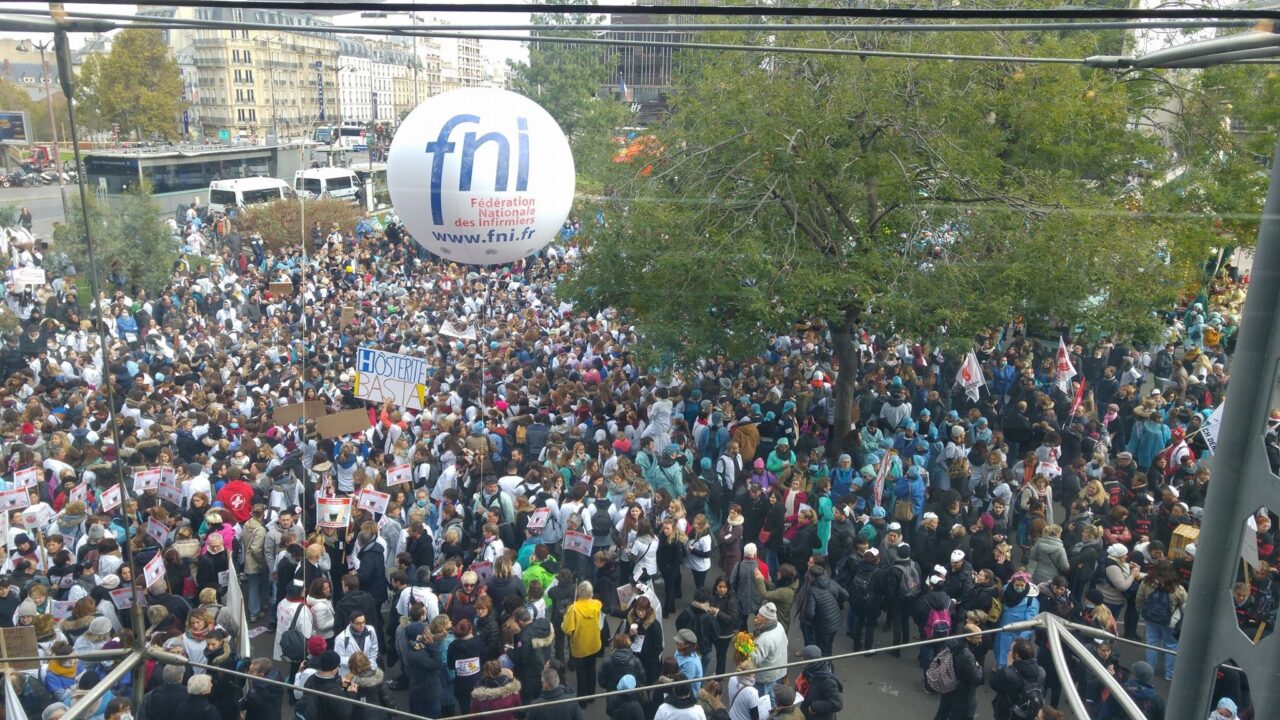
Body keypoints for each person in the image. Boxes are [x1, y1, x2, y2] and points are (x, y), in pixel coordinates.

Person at [1135, 560, 1187, 681]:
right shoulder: (1177, 589)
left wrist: (1140, 612)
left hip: (1150, 618)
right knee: (1171, 646)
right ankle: (1170, 674)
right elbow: (1185, 605)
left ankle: (1150, 670)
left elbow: (1139, 598)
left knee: (1152, 643)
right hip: (1169, 621)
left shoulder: (1146, 583)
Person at [560, 580, 603, 705]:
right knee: (591, 670)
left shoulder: (573, 609)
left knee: (581, 673)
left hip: (580, 646)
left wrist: (564, 622)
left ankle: (582, 701)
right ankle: (591, 696)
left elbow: (567, 629)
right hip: (594, 644)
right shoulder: (596, 605)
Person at [931, 623, 984, 720]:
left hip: (946, 684)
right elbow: (976, 678)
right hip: (960, 693)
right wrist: (979, 667)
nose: (980, 640)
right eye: (978, 637)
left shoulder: (951, 642)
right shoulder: (967, 656)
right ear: (968, 637)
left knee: (942, 713)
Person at [989, 639, 1044, 720]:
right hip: (1028, 712)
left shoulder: (1008, 674)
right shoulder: (1041, 672)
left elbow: (993, 683)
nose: (1009, 653)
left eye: (1011, 651)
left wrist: (1008, 667)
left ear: (1017, 656)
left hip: (1008, 713)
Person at [297, 650, 354, 720]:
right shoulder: (334, 693)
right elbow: (345, 714)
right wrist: (351, 694)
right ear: (334, 669)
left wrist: (338, 682)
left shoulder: (310, 679)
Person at [796, 645, 843, 720]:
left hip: (820, 716)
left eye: (803, 659)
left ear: (811, 661)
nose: (801, 660)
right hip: (808, 710)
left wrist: (815, 706)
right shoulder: (811, 670)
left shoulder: (828, 681)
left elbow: (837, 704)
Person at [346, 650, 396, 720]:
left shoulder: (352, 682)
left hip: (362, 716)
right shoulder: (377, 677)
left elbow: (351, 702)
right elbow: (387, 697)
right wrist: (394, 711)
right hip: (381, 714)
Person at [334, 610, 380, 675]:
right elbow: (338, 658)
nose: (362, 625)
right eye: (358, 623)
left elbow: (374, 647)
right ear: (351, 623)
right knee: (347, 685)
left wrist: (372, 663)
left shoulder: (370, 630)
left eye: (363, 622)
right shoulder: (341, 638)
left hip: (368, 669)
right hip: (349, 673)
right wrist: (357, 662)